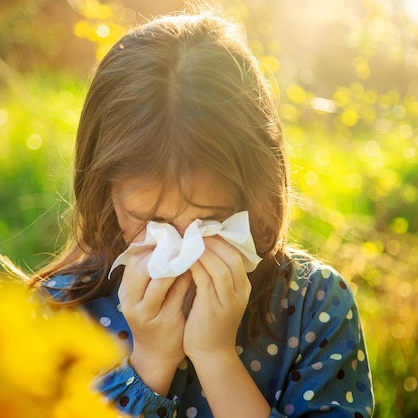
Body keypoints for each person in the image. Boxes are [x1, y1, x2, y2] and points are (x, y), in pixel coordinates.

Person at [29, 7, 374, 418]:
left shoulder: (314, 306)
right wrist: (149, 365)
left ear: (255, 192)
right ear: (103, 193)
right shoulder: (60, 312)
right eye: (151, 222)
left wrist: (216, 359)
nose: (180, 248)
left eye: (208, 222)